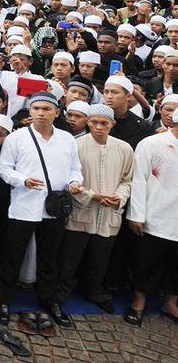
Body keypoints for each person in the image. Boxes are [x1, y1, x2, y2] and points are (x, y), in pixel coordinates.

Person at [0, 92, 84, 328]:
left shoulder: (67, 139)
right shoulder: (17, 138)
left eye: (47, 109)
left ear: (57, 112)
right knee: (12, 255)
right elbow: (4, 169)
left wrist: (75, 182)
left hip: (54, 208)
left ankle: (48, 300)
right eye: (37, 109)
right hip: (24, 205)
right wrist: (22, 180)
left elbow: (76, 169)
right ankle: (4, 300)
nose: (41, 113)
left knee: (50, 257)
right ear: (30, 111)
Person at [56, 104, 133, 313]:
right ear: (88, 122)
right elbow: (67, 179)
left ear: (112, 124)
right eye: (94, 122)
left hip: (109, 213)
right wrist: (91, 195)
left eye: (104, 123)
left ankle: (94, 291)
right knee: (70, 258)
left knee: (101, 257)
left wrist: (119, 198)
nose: (99, 127)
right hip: (82, 210)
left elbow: (127, 179)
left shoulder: (124, 148)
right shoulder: (76, 145)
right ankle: (61, 292)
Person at [124, 115, 178, 325]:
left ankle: (171, 302)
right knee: (146, 262)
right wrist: (137, 214)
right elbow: (138, 179)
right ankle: (139, 302)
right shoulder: (152, 143)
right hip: (154, 214)